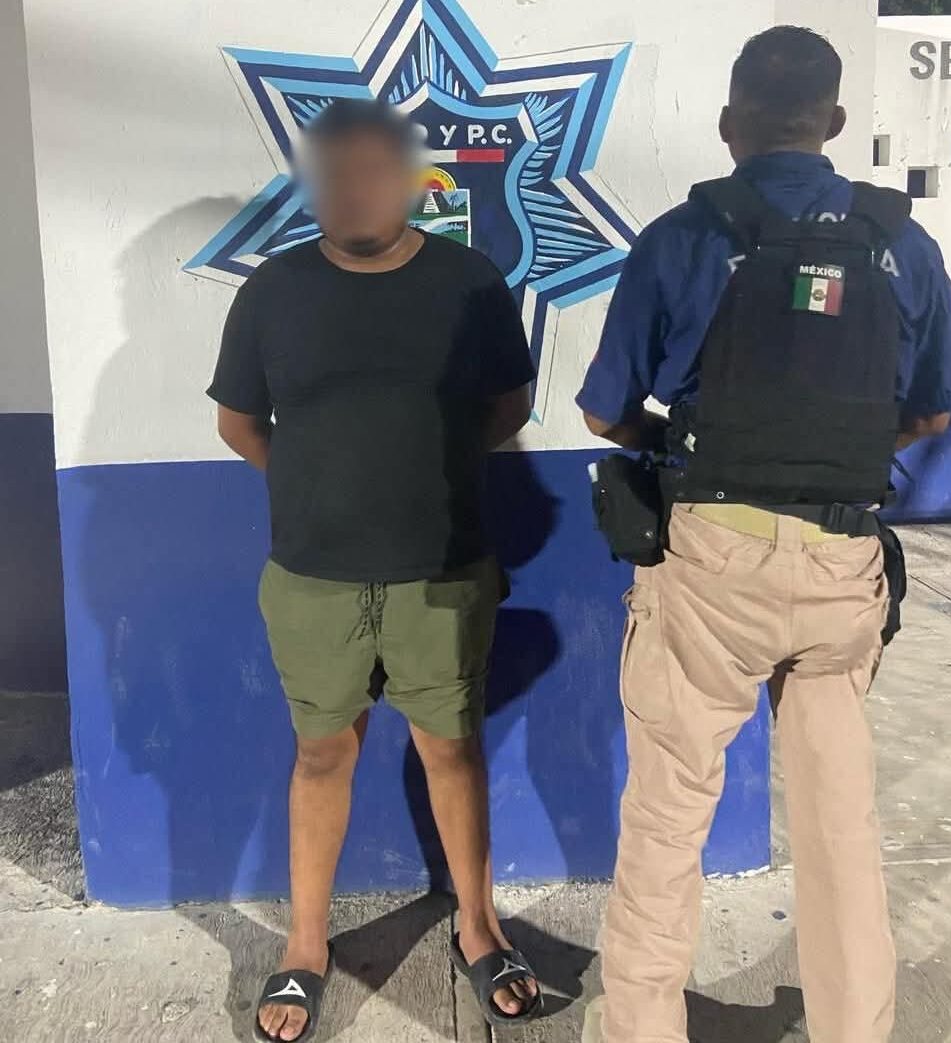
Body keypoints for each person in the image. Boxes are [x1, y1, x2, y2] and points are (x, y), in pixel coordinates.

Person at [578, 26, 951, 1043]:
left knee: (668, 817)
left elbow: (605, 409)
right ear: (833, 121)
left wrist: (681, 442)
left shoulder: (684, 235)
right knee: (841, 828)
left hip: (711, 559)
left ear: (727, 123)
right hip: (843, 564)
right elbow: (933, 410)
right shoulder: (903, 243)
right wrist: (841, 446)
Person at [208, 98, 542, 1042]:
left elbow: (508, 405)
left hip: (443, 572)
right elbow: (239, 423)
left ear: (410, 181)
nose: (355, 189)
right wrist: (319, 490)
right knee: (322, 754)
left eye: (373, 170)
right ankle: (304, 945)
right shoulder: (272, 290)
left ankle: (479, 927)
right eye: (335, 173)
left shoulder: (470, 282)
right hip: (313, 580)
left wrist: (421, 479)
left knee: (452, 750)